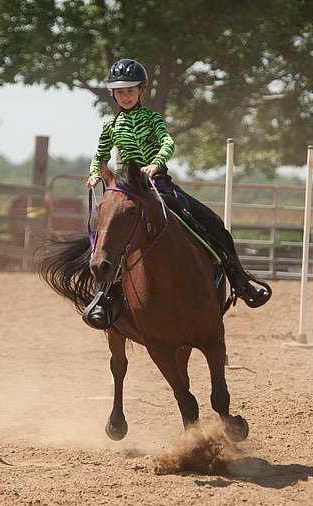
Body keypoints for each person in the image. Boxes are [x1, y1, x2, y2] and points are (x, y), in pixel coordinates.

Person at [82, 58, 271, 329]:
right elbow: (100, 154)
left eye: (130, 90)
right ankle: (103, 297)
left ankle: (240, 280)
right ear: (113, 93)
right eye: (120, 91)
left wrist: (156, 163)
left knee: (211, 221)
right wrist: (94, 173)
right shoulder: (111, 127)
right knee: (110, 235)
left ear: (141, 91)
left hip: (156, 184)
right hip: (126, 186)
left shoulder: (152, 118)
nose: (125, 96)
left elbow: (167, 142)